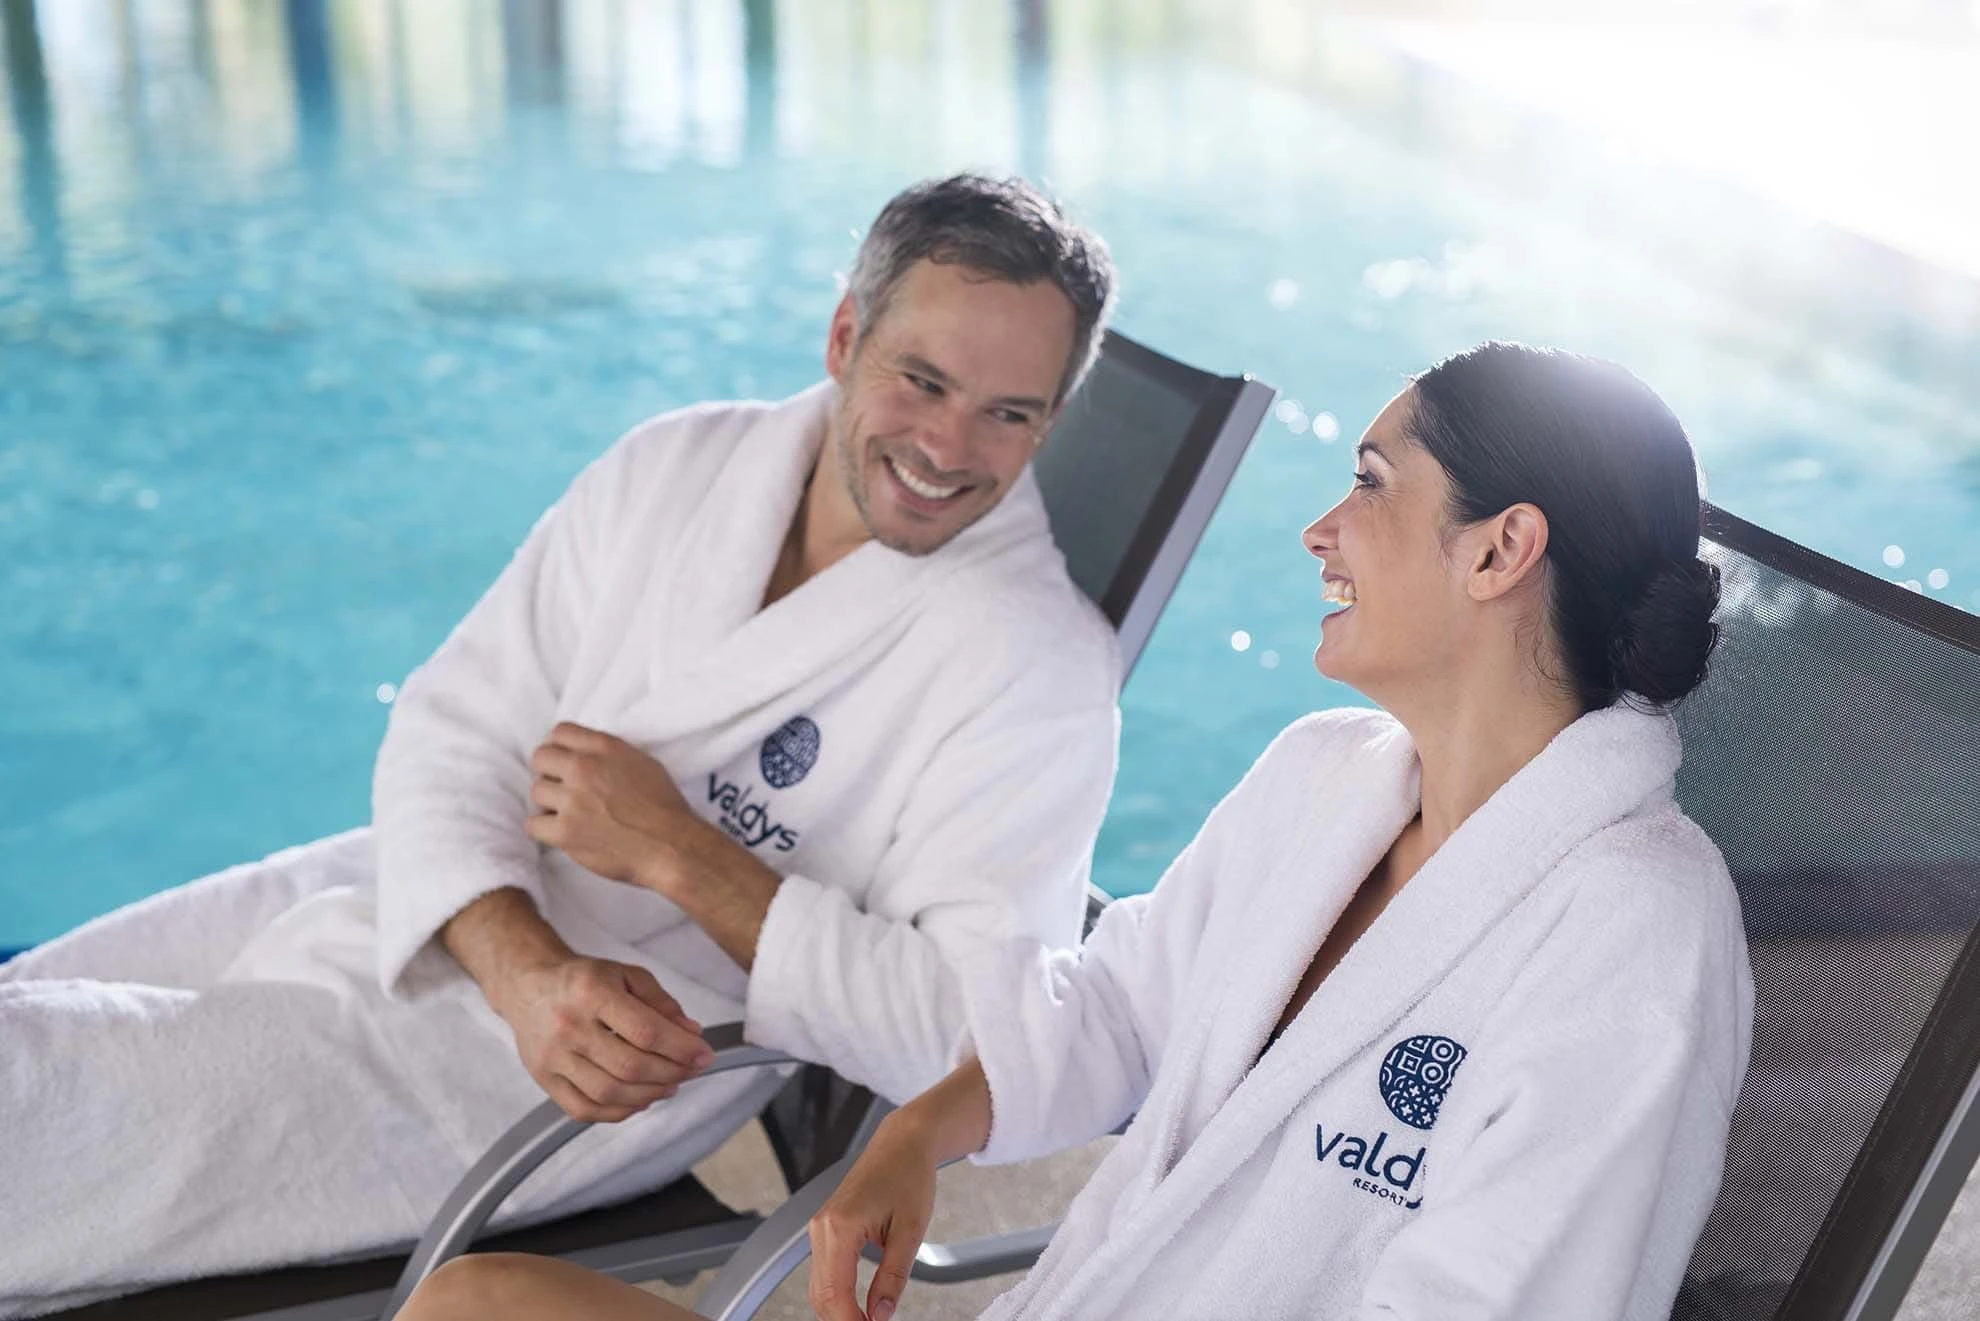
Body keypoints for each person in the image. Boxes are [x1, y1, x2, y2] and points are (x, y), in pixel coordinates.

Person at [397, 342, 1755, 1321]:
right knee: (480, 1306)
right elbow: (1111, 1014)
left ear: (1499, 551)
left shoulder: (1633, 932)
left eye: (1372, 483)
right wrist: (916, 1133)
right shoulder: (1327, 780)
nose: (1319, 529)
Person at [0, 173, 1123, 1316]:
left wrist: (682, 854)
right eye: (921, 380)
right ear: (845, 335)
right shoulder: (680, 467)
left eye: (1008, 412)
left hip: (585, 1065)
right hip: (446, 900)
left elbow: (975, 1043)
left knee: (41, 1101)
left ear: (1050, 421)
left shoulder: (1036, 668)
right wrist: (523, 967)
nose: (947, 444)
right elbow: (456, 721)